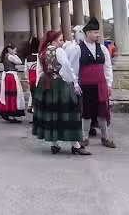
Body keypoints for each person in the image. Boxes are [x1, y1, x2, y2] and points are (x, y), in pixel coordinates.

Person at [32, 30, 90, 155]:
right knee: (69, 113)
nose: (63, 42)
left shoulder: (41, 53)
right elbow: (66, 67)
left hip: (45, 85)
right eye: (60, 40)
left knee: (52, 113)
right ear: (53, 41)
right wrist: (73, 82)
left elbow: (39, 71)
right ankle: (75, 145)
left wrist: (38, 88)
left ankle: (55, 144)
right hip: (60, 84)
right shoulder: (58, 51)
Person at [69, 17, 115, 148]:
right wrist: (76, 84)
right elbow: (73, 68)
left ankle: (105, 137)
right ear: (87, 33)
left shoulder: (103, 49)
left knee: (102, 112)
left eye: (98, 32)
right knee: (86, 112)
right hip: (86, 86)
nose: (97, 35)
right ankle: (84, 137)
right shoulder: (78, 49)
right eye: (95, 32)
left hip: (100, 85)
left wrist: (109, 84)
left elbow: (107, 68)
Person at [0, 44, 26, 122]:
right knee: (13, 95)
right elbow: (19, 62)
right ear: (10, 49)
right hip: (11, 77)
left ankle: (9, 113)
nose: (15, 52)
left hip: (8, 76)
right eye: (14, 50)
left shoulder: (6, 56)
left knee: (8, 95)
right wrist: (14, 55)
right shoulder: (9, 56)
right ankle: (11, 113)